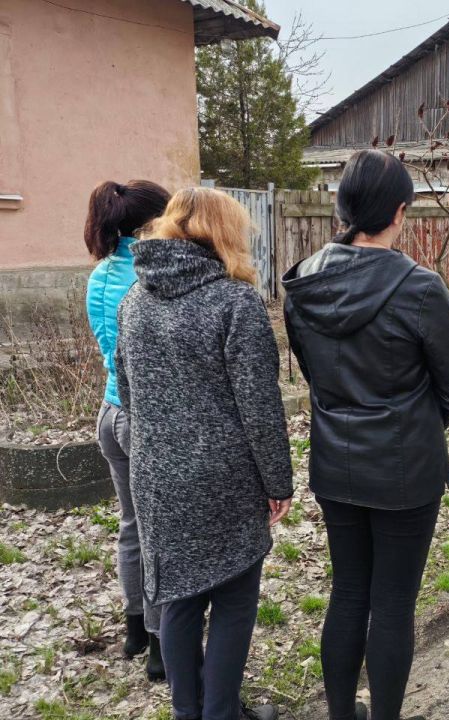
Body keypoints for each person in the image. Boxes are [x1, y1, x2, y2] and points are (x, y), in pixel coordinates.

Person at [282, 149, 449, 720]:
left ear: (342, 209)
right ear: (399, 212)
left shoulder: (304, 283)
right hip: (404, 468)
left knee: (348, 593)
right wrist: (412, 427)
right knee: (390, 603)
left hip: (336, 461)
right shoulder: (420, 287)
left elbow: (315, 373)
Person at [115, 188, 292, 720]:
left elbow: (126, 393)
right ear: (225, 232)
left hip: (155, 473)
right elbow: (260, 407)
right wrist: (278, 482)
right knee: (235, 599)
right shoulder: (235, 301)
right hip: (226, 477)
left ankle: (188, 713)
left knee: (179, 597)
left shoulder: (132, 302)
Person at [84, 179, 169, 681]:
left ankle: (135, 628)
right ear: (152, 222)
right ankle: (162, 645)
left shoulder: (100, 274)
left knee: (132, 527)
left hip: (109, 414)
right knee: (160, 534)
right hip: (143, 421)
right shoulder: (150, 275)